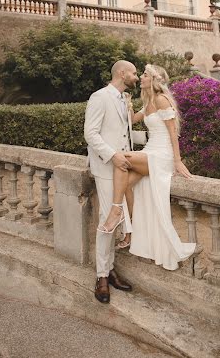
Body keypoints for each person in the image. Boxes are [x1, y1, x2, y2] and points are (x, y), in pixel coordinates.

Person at [100, 64, 196, 271]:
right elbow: (132, 121)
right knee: (125, 185)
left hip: (161, 155)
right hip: (149, 152)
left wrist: (177, 161)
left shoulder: (161, 100)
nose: (140, 78)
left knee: (120, 158)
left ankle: (116, 211)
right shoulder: (149, 102)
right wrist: (127, 105)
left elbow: (172, 134)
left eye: (143, 75)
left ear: (153, 79)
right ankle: (132, 229)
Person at [84, 60, 139, 304]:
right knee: (109, 219)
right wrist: (113, 155)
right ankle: (101, 277)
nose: (136, 77)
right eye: (134, 73)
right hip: (107, 167)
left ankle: (110, 269)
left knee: (119, 220)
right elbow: (90, 133)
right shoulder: (99, 97)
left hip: (125, 167)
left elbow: (125, 132)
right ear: (122, 73)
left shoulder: (124, 98)